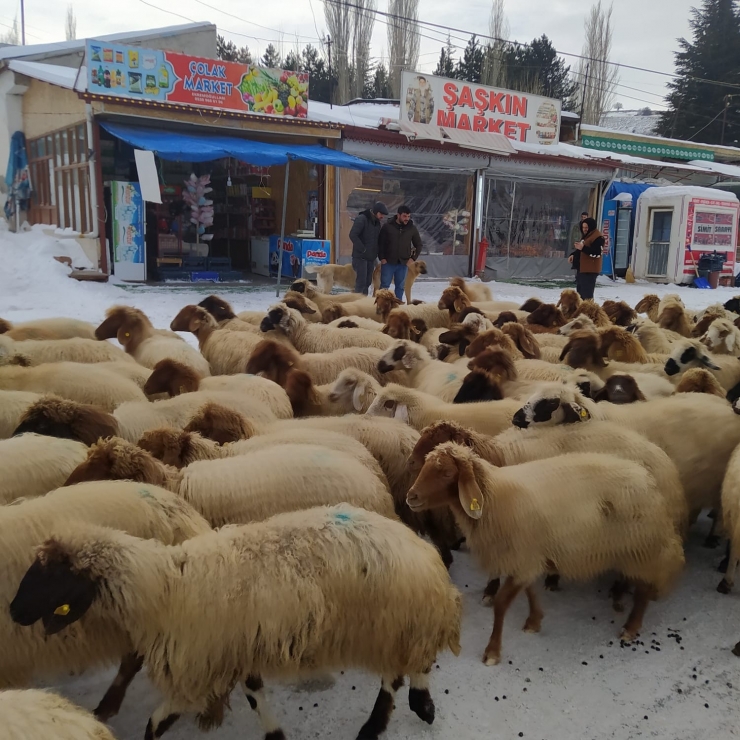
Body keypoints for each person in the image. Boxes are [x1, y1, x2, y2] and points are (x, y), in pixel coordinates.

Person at [378, 204, 422, 301]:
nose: (407, 218)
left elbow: (419, 245)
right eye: (404, 216)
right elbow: (380, 243)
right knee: (384, 286)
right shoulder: (387, 226)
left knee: (400, 287)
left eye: (408, 216)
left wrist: (412, 258)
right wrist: (382, 258)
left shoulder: (412, 228)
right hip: (388, 262)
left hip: (403, 263)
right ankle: (380, 307)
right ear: (398, 215)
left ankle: (397, 307)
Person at [350, 201, 388, 295]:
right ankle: (357, 304)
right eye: (381, 214)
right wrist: (363, 249)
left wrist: (377, 254)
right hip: (360, 257)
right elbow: (353, 235)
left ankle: (363, 302)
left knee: (367, 282)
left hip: (370, 257)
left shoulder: (377, 223)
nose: (382, 216)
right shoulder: (362, 219)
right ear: (375, 211)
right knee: (361, 282)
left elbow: (375, 240)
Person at [572, 217, 604, 300]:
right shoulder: (587, 236)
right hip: (582, 269)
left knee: (587, 296)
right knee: (580, 295)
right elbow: (582, 250)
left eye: (586, 227)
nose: (584, 229)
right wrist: (573, 255)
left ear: (591, 227)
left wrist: (583, 248)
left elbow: (597, 253)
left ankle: (588, 312)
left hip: (589, 271)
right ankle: (581, 311)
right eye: (583, 227)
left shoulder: (598, 237)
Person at [568, 211, 589, 281]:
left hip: (584, 246)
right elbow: (573, 236)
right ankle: (577, 277)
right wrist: (573, 244)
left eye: (585, 217)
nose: (583, 219)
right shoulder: (577, 226)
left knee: (583, 261)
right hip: (577, 245)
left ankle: (582, 277)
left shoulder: (588, 227)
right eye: (582, 217)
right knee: (576, 262)